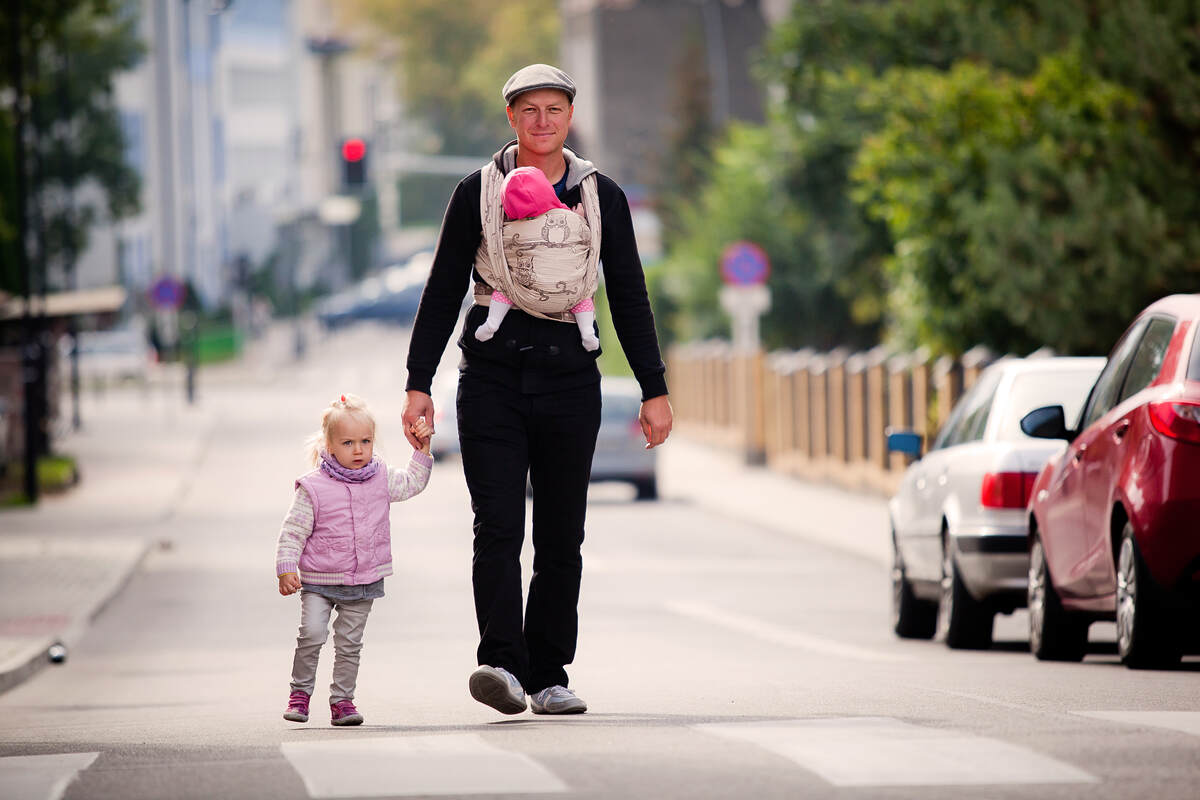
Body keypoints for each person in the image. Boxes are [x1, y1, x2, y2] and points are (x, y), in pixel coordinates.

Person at [401, 63, 673, 716]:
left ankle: (549, 673)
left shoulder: (600, 195)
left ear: (569, 117)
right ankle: (501, 664)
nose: (542, 121)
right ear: (512, 118)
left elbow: (628, 294)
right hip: (492, 380)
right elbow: (442, 291)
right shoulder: (477, 192)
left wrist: (653, 388)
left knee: (560, 535)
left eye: (554, 109)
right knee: (497, 525)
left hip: (569, 381)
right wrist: (418, 385)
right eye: (530, 110)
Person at [276, 393, 434, 726]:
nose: (359, 450)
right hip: (319, 581)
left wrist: (422, 451)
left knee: (349, 645)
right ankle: (300, 694)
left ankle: (342, 701)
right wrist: (286, 568)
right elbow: (293, 532)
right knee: (312, 633)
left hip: (363, 581)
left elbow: (413, 483)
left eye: (365, 441)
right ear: (329, 446)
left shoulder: (381, 477)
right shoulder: (313, 488)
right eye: (348, 443)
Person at [474, 165, 599, 351]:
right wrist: (579, 219)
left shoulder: (508, 228)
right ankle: (587, 331)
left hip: (524, 297)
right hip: (568, 299)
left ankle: (492, 323)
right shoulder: (568, 218)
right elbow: (585, 237)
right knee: (584, 295)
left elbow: (500, 244)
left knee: (505, 289)